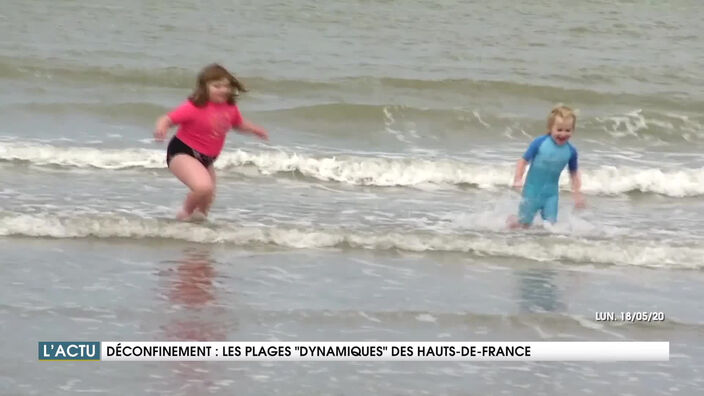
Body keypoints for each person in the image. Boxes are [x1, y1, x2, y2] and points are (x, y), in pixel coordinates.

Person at [154, 64, 268, 220]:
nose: (223, 90)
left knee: (207, 200)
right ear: (204, 88)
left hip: (207, 159)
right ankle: (183, 215)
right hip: (182, 152)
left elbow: (238, 124)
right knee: (202, 187)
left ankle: (197, 231)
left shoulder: (230, 108)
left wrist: (255, 130)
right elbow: (167, 119)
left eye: (226, 86)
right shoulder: (194, 107)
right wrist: (162, 127)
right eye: (217, 86)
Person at [509, 105, 585, 228]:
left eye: (568, 130)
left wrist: (577, 192)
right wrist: (518, 179)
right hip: (531, 192)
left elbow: (574, 173)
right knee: (523, 226)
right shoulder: (539, 143)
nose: (563, 134)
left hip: (551, 195)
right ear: (550, 128)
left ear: (573, 130)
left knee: (551, 227)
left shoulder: (571, 151)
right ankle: (510, 226)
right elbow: (523, 161)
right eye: (559, 130)